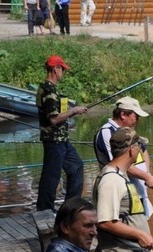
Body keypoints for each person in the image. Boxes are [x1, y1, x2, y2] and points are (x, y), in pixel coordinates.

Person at [93, 96, 153, 252]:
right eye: (134, 115)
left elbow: (144, 152)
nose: (137, 119)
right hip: (118, 193)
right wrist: (146, 176)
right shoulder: (107, 133)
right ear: (123, 114)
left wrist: (146, 174)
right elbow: (117, 162)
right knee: (110, 236)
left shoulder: (131, 135)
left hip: (134, 192)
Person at [36, 55, 87, 212]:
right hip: (53, 140)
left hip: (62, 139)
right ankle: (44, 210)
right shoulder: (49, 90)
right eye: (62, 69)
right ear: (55, 69)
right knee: (51, 176)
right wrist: (74, 111)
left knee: (76, 166)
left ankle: (71, 207)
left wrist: (67, 120)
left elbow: (58, 117)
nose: (63, 72)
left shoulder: (48, 88)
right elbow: (53, 119)